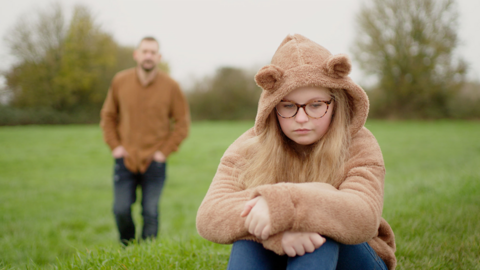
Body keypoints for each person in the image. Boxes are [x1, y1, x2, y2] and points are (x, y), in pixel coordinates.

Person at [196, 34, 396, 270]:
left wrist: (279, 205)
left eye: (315, 105)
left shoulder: (359, 143)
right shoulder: (249, 145)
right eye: (288, 106)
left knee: (321, 228)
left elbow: (363, 216)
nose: (301, 118)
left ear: (335, 103)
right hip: (282, 255)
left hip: (355, 259)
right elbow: (210, 213)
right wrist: (276, 233)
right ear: (272, 107)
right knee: (248, 239)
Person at [100, 36, 190, 244]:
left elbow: (182, 124)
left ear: (158, 57)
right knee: (120, 210)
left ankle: (147, 258)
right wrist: (116, 147)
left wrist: (163, 153)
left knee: (150, 213)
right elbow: (108, 116)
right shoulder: (120, 81)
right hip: (125, 159)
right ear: (136, 55)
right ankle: (129, 251)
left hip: (155, 161)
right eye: (145, 51)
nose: (148, 56)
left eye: (152, 52)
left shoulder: (171, 86)